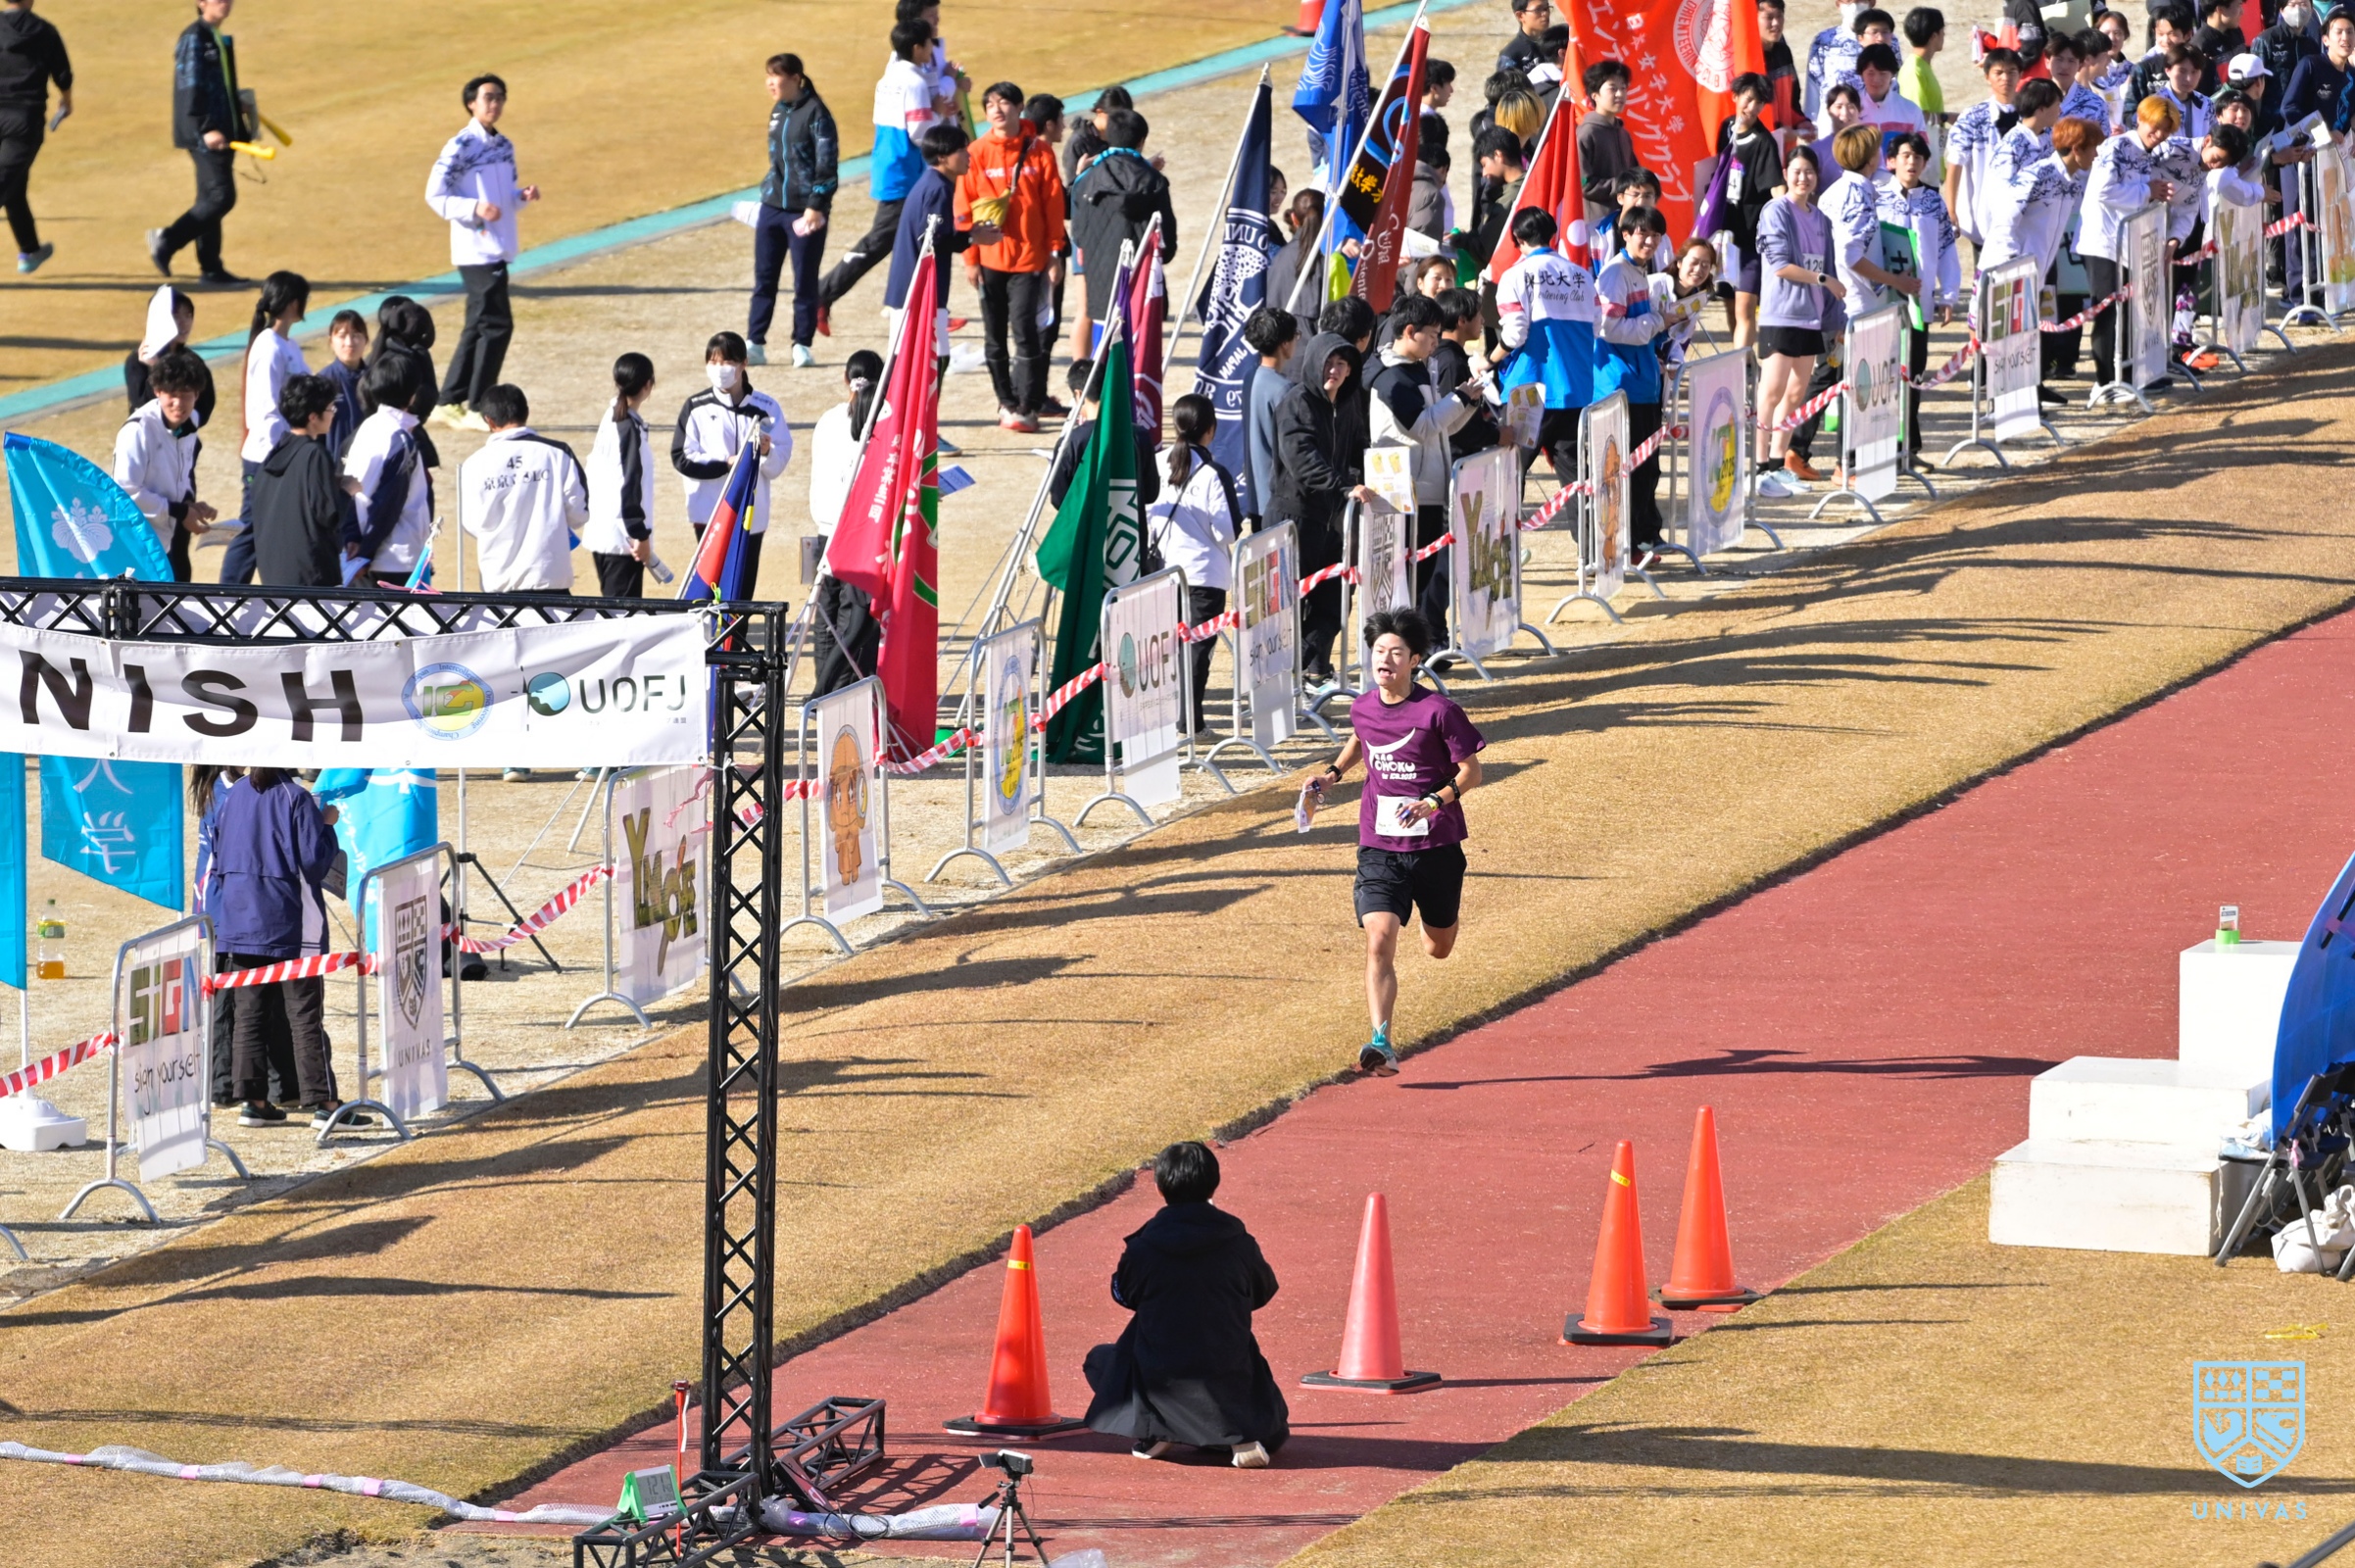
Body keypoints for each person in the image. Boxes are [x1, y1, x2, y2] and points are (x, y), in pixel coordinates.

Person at [1301, 606, 1484, 1075]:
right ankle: (1381, 1042)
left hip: (1436, 847)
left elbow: (1472, 772)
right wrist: (1332, 775)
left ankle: (1435, 921)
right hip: (1380, 847)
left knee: (1438, 947)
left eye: (1396, 652)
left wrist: (1434, 802)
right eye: (1379, 651)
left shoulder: (1439, 712)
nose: (1385, 659)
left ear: (1415, 660)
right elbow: (1362, 738)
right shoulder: (1363, 706)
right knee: (1379, 938)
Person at [1081, 1141, 1287, 1470]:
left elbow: (1123, 1295)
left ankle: (1158, 1432)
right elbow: (1263, 1291)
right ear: (1214, 1183)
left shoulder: (1143, 1247)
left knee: (1100, 1360)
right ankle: (1233, 1435)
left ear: (1160, 1187)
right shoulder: (1239, 1242)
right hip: (1228, 1378)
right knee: (1272, 1427)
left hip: (1160, 1380)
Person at [206, 767, 355, 1130]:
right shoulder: (296, 797)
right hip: (289, 920)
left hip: (240, 919)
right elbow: (314, 863)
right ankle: (325, 1103)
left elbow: (217, 853)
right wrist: (326, 826)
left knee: (249, 1015)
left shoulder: (234, 794)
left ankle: (253, 1102)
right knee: (304, 1015)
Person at [426, 74, 540, 431]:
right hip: (475, 249)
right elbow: (436, 195)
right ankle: (478, 406)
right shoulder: (460, 145)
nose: (495, 103)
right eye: (488, 97)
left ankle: (449, 401)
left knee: (478, 325)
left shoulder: (504, 146)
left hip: (498, 247)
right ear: (471, 103)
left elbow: (504, 198)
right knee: (497, 325)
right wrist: (474, 208)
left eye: (500, 97)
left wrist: (521, 196)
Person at [1270, 332, 1377, 683]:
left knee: (1335, 597)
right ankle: (1285, 678)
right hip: (1295, 517)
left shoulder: (1348, 403)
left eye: (1341, 364)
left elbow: (1359, 447)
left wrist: (1380, 476)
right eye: (1329, 362)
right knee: (1288, 604)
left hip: (1335, 519)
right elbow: (1300, 458)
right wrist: (1343, 485)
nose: (1334, 370)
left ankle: (1309, 668)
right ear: (1314, 363)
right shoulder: (1296, 402)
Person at [958, 80, 1065, 432]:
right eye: (990, 105)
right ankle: (1005, 401)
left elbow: (1053, 205)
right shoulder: (976, 152)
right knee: (994, 336)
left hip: (1029, 259)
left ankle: (1028, 405)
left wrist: (1054, 252)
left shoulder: (1039, 151)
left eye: (1004, 103)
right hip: (989, 260)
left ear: (1020, 108)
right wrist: (970, 258)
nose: (997, 110)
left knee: (1025, 331)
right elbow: (964, 206)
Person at [817, 19, 937, 319]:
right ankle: (822, 294)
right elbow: (919, 132)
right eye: (929, 43)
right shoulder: (915, 82)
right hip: (905, 171)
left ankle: (919, 306)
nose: (932, 49)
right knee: (883, 242)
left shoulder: (887, 78)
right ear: (917, 48)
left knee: (912, 239)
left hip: (888, 162)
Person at [1368, 293, 1476, 627]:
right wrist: (1459, 398)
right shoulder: (1391, 378)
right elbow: (1423, 426)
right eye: (1431, 334)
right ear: (1409, 331)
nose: (1436, 342)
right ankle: (1400, 644)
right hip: (1405, 495)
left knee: (1421, 577)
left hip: (1427, 490)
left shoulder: (1417, 369)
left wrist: (1468, 403)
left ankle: (1411, 644)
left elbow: (1440, 428)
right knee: (1407, 582)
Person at [1981, 115, 2100, 396]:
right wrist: (2014, 265)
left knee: (2028, 337)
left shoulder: (2071, 182)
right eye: (2093, 148)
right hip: (2011, 272)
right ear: (2077, 149)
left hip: (2038, 272)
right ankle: (2009, 397)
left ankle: (2031, 389)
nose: (2096, 155)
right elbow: (2004, 220)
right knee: (2009, 340)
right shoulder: (2036, 175)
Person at [1489, 206, 1597, 493]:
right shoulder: (1582, 276)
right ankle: (1584, 525)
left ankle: (1509, 526)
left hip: (1528, 388)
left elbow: (1514, 334)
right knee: (1576, 479)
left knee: (1509, 474)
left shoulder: (1514, 275)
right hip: (1575, 387)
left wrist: (1489, 360)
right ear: (1552, 234)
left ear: (1518, 238)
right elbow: (1597, 327)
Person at [2081, 95, 2185, 394]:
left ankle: (2130, 374)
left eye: (2166, 129)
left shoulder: (2151, 153)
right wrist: (2146, 190)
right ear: (2140, 119)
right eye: (2155, 126)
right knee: (2108, 313)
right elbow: (2103, 191)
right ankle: (2106, 383)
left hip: (2131, 242)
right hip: (2103, 242)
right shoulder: (2116, 147)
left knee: (2130, 311)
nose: (2160, 134)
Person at [1146, 395, 1240, 728]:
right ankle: (1190, 721)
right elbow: (1227, 531)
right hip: (1204, 574)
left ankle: (1164, 720)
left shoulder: (1156, 462)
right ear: (1211, 429)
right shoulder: (1214, 473)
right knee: (1198, 650)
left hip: (1163, 571)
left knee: (1163, 648)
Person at [673, 331, 792, 593]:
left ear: (743, 364)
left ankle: (738, 623)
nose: (719, 369)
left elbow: (780, 461)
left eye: (726, 362)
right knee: (708, 591)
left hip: (751, 518)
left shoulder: (767, 408)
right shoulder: (696, 407)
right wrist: (725, 464)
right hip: (709, 515)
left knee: (741, 593)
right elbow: (682, 457)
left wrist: (765, 453)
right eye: (713, 362)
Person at [1755, 143, 1842, 495]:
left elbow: (1830, 266)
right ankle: (1759, 466)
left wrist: (1834, 320)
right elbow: (1779, 265)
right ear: (1785, 175)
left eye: (1809, 172)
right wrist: (1822, 280)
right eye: (1796, 172)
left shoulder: (1821, 219)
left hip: (1811, 317)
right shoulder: (1776, 211)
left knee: (1796, 393)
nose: (1803, 178)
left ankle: (1779, 463)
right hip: (1781, 313)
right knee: (1771, 391)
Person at [459, 383, 588, 606]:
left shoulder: (473, 465)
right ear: (526, 412)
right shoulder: (558, 453)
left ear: (489, 421)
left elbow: (472, 523)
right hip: (550, 580)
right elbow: (579, 513)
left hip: (498, 585)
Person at [750, 53, 837, 370]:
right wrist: (767, 193)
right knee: (764, 279)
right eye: (768, 76)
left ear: (796, 79)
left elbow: (827, 164)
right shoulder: (778, 111)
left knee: (804, 282)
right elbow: (778, 160)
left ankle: (802, 344)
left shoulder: (817, 113)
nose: (770, 83)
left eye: (776, 76)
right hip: (772, 207)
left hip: (805, 212)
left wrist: (816, 205)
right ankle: (755, 343)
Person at [150, 0, 246, 283]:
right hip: (205, 133)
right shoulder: (195, 37)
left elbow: (219, 83)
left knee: (208, 199)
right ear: (200, 3)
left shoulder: (215, 36)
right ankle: (167, 240)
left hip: (223, 130)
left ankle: (211, 267)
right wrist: (205, 127)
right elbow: (189, 86)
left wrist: (236, 103)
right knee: (220, 197)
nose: (225, 3)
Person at [1069, 107, 1177, 349]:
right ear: (1141, 141)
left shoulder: (1086, 180)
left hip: (1101, 290)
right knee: (1140, 363)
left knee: (1104, 362)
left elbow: (1078, 236)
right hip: (1144, 290)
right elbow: (1167, 245)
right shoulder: (1155, 181)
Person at [810, 350, 884, 695]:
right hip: (857, 535)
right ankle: (837, 692)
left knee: (826, 616)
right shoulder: (879, 422)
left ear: (846, 378)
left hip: (825, 528)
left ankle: (824, 688)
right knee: (852, 621)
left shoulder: (829, 418)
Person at [1877, 133, 1957, 456]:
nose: (1912, 162)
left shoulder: (1934, 202)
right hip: (1882, 301)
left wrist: (1948, 295)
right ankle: (1882, 446)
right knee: (1884, 374)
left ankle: (1908, 446)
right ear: (1891, 161)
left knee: (1914, 371)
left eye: (1918, 157)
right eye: (1906, 155)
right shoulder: (1876, 198)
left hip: (1918, 303)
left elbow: (1946, 249)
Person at [1595, 207, 1668, 556]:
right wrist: (1657, 322)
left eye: (1656, 235)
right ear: (1625, 234)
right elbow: (1608, 328)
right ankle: (1626, 543)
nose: (1650, 241)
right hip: (1621, 387)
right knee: (1628, 471)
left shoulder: (1639, 272)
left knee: (1646, 470)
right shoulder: (1614, 274)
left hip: (1643, 384)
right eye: (1643, 234)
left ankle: (1642, 537)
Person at [228, 270, 309, 585]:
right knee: (251, 528)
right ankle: (225, 594)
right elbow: (266, 412)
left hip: (281, 453)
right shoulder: (268, 346)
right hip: (266, 455)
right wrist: (287, 452)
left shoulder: (289, 345)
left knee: (273, 528)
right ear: (294, 303)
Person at [114, 347, 216, 581]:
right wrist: (181, 511)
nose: (178, 403)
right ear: (157, 391)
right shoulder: (137, 431)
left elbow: (181, 475)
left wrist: (190, 504)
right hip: (136, 545)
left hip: (167, 542)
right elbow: (126, 492)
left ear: (197, 394)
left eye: (186, 394)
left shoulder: (191, 422)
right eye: (171, 394)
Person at [248, 373, 352, 588]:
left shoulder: (272, 457)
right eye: (330, 409)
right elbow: (329, 514)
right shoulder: (314, 454)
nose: (333, 414)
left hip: (274, 577)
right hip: (312, 579)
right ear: (313, 417)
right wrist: (346, 491)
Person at [343, 353, 435, 588]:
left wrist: (353, 538)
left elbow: (349, 489)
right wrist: (366, 552)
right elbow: (388, 504)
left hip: (363, 555)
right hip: (395, 560)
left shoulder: (366, 429)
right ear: (412, 394)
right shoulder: (401, 439)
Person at [1717, 74, 1787, 348]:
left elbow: (1776, 187)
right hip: (1725, 235)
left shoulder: (1763, 142)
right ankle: (1741, 359)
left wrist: (1788, 222)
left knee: (1745, 306)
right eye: (1748, 100)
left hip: (1750, 237)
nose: (1752, 107)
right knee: (1729, 302)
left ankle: (1744, 365)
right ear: (1735, 97)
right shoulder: (1726, 127)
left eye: (1759, 103)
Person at [0, 0, 68, 273]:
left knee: (13, 186)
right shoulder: (44, 31)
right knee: (6, 182)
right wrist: (67, 100)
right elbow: (62, 73)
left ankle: (30, 251)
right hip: (24, 120)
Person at [585, 352, 659, 599]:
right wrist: (639, 534)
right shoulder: (626, 427)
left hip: (608, 534)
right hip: (622, 540)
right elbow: (628, 485)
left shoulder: (613, 417)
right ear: (648, 385)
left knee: (615, 612)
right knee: (621, 616)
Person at [1944, 48, 2024, 247]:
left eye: (2012, 72)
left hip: (2024, 217)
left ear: (2020, 75)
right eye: (1999, 72)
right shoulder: (1972, 117)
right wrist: (1950, 209)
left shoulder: (2031, 114)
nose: (2006, 78)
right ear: (1987, 76)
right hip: (1983, 216)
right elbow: (1955, 163)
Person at [124, 285, 216, 428]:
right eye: (176, 315)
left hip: (183, 437)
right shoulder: (137, 361)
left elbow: (205, 406)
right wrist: (156, 370)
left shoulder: (192, 360)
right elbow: (141, 406)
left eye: (188, 315)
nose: (184, 323)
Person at [1242, 306, 1299, 527]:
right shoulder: (1284, 389)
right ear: (1284, 343)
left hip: (1255, 495)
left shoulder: (1250, 377)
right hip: (1277, 499)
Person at [1576, 60, 1639, 228]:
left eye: (1623, 88)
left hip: (1626, 221)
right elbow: (1584, 185)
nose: (1620, 94)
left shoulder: (1623, 134)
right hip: (1598, 225)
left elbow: (1634, 173)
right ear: (1594, 95)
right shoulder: (1586, 133)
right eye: (1613, 88)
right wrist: (1622, 184)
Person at [318, 310, 369, 461]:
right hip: (334, 465)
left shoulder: (376, 380)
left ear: (366, 340)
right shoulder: (322, 382)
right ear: (331, 341)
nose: (349, 342)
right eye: (342, 336)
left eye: (356, 335)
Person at [1896, 7, 1946, 154]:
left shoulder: (1922, 66)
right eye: (1942, 31)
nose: (1944, 35)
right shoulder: (1914, 69)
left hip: (1933, 151)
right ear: (1934, 36)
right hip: (1922, 156)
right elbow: (1917, 116)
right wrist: (1948, 117)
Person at [1499, 0, 1553, 74]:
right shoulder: (1511, 55)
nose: (1545, 14)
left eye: (1546, 8)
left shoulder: (1559, 41)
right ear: (1520, 15)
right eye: (1538, 10)